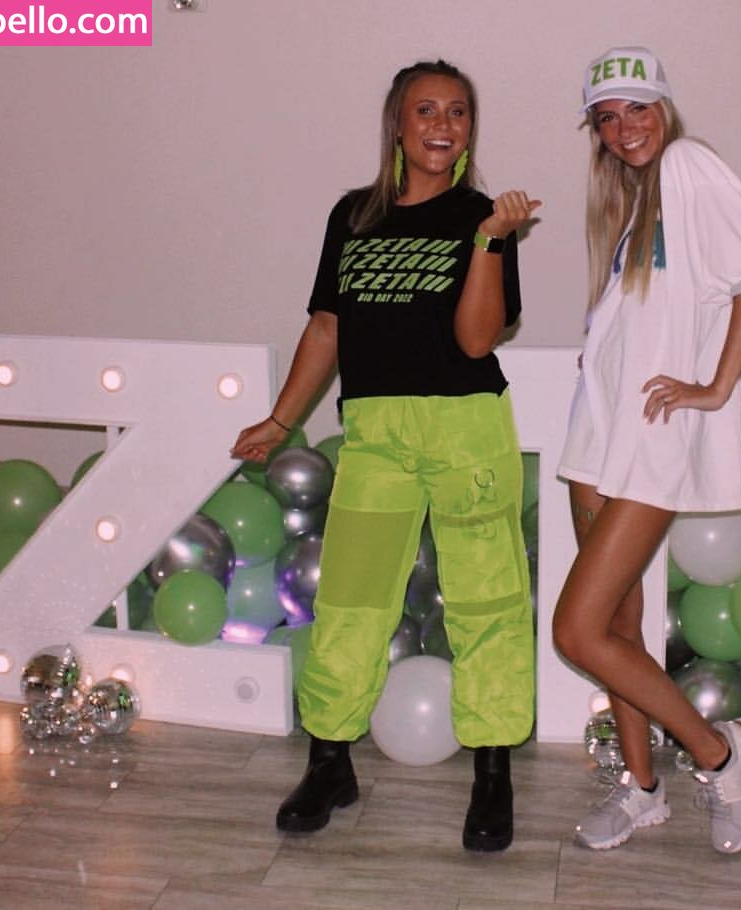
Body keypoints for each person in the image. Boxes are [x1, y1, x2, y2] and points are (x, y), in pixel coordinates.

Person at [231, 59, 541, 852]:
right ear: (397, 125)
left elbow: (477, 340)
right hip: (375, 431)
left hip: (465, 428)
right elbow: (326, 327)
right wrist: (281, 418)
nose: (442, 124)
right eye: (425, 109)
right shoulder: (352, 215)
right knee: (352, 600)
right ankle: (329, 762)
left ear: (470, 130)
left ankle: (493, 773)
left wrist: (489, 244)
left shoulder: (482, 217)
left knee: (487, 603)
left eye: (458, 112)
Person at [552, 46, 741, 854]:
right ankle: (643, 789)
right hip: (596, 431)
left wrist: (715, 387)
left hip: (651, 435)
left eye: (637, 110)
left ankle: (718, 753)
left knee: (576, 631)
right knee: (619, 622)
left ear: (665, 109)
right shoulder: (633, 205)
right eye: (606, 118)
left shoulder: (688, 166)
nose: (624, 129)